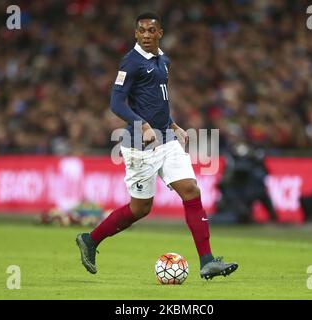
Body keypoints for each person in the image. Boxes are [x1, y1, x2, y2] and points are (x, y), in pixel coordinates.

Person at [76, 13, 238, 280]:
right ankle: (90, 239)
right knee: (140, 208)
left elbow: (156, 102)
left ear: (160, 33)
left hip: (167, 139)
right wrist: (143, 125)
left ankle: (207, 261)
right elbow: (116, 104)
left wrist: (173, 126)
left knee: (191, 190)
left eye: (152, 30)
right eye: (142, 31)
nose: (147, 35)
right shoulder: (130, 62)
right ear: (135, 34)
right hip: (140, 144)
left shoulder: (164, 61)